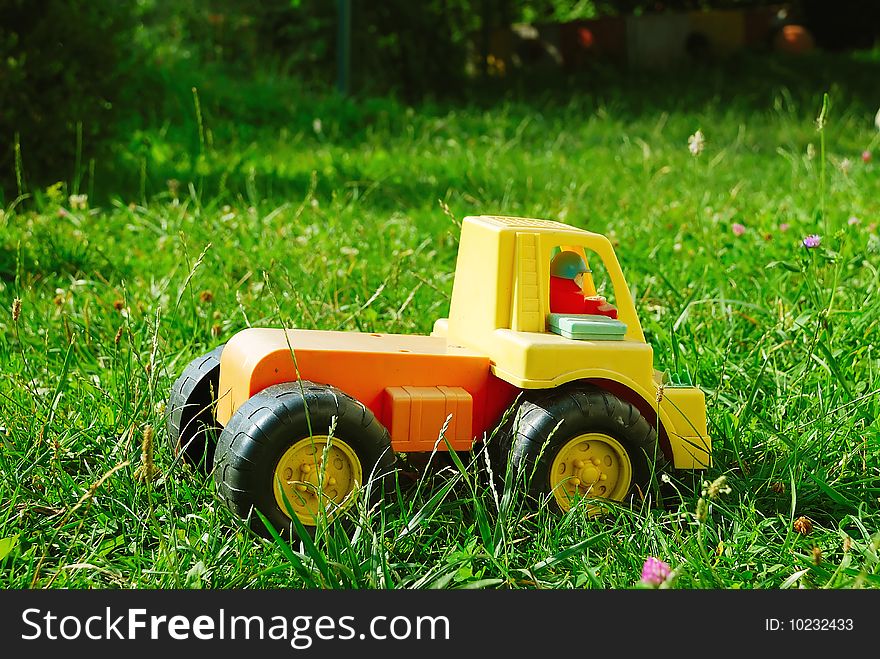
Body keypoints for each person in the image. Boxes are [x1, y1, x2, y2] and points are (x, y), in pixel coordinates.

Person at [549, 251, 618, 318]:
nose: (582, 279)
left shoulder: (549, 290)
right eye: (581, 275)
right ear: (573, 275)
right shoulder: (575, 298)